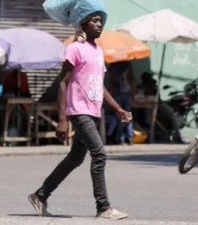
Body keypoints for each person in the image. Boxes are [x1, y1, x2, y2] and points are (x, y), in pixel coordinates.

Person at [28, 11, 129, 220]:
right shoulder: (74, 49)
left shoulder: (98, 51)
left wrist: (117, 108)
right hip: (78, 110)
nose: (99, 24)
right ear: (83, 26)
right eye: (94, 21)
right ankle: (103, 207)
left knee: (75, 159)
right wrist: (62, 119)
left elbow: (99, 85)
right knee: (99, 154)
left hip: (93, 111)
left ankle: (40, 195)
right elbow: (63, 82)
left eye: (101, 21)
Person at [108, 62, 135, 145]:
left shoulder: (113, 66)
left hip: (118, 93)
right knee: (127, 115)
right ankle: (129, 137)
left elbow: (112, 81)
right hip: (125, 92)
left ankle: (121, 138)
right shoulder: (127, 65)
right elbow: (132, 79)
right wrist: (133, 92)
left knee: (120, 116)